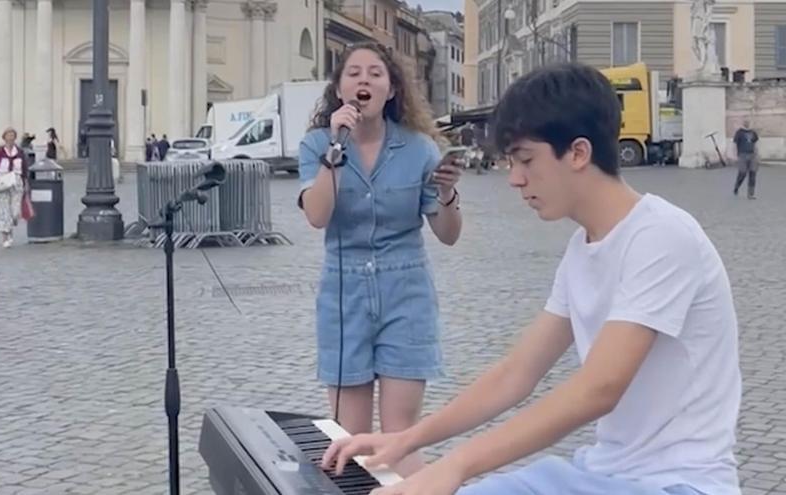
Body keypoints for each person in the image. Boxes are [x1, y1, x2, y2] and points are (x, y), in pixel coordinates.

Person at [321, 63, 742, 495]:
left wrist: (455, 466)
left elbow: (599, 388)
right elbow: (515, 374)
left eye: (525, 160)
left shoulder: (662, 236)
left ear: (578, 153)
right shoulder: (584, 247)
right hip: (598, 473)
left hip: (681, 484)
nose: (515, 179)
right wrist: (406, 440)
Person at [298, 41, 464, 476]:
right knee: (345, 438)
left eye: (375, 73)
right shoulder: (318, 144)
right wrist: (336, 149)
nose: (364, 81)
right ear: (339, 88)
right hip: (343, 294)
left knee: (399, 435)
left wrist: (446, 193)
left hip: (405, 292)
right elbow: (317, 216)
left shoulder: (420, 149)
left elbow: (447, 235)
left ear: (392, 90)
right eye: (353, 73)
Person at [0, 127, 29, 248]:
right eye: (8, 135)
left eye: (12, 135)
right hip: (2, 180)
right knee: (4, 211)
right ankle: (6, 237)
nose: (10, 137)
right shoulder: (0, 152)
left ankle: (11, 227)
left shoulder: (20, 152)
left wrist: (26, 184)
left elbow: (25, 170)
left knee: (15, 212)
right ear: (4, 137)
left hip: (16, 181)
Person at [732, 118, 759, 199]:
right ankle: (736, 186)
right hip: (742, 155)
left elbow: (756, 143)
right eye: (745, 122)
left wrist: (757, 154)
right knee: (742, 173)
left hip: (752, 155)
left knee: (753, 173)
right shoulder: (739, 132)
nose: (747, 123)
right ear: (743, 123)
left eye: (748, 121)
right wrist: (734, 155)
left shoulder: (753, 132)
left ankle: (751, 194)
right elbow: (734, 144)